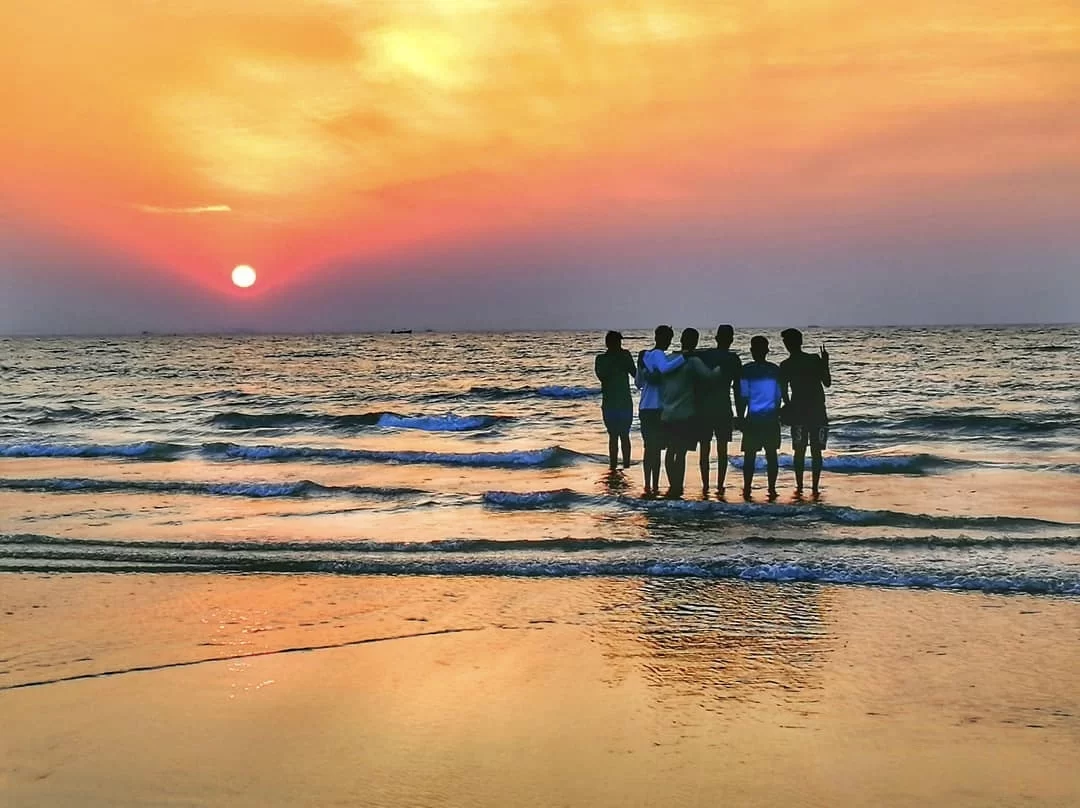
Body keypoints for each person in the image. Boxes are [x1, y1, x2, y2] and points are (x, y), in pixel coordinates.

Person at [658, 328, 725, 498]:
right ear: (695, 342)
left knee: (670, 451)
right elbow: (710, 377)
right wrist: (721, 366)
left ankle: (672, 485)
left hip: (666, 412)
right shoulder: (693, 361)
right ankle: (678, 487)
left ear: (681, 340)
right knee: (680, 452)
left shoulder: (669, 359)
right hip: (684, 413)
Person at [779, 327, 831, 496]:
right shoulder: (814, 359)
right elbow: (827, 382)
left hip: (799, 411)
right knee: (816, 451)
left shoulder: (786, 365)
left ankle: (800, 486)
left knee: (799, 450)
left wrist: (788, 405)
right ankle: (814, 487)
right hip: (816, 410)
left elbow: (783, 391)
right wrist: (825, 363)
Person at [635, 325, 686, 496]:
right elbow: (664, 369)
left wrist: (644, 370)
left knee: (649, 448)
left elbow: (638, 383)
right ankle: (655, 485)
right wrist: (682, 358)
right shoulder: (658, 355)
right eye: (668, 339)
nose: (669, 342)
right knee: (656, 448)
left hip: (644, 407)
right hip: (657, 407)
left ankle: (648, 484)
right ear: (663, 338)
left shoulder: (645, 356)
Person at [694, 324, 743, 496]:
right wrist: (741, 414)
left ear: (716, 338)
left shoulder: (706, 355)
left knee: (704, 449)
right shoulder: (734, 359)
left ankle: (706, 485)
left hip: (703, 408)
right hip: (723, 407)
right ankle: (720, 486)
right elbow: (738, 389)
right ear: (731, 339)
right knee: (722, 450)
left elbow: (687, 355)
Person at [737, 335, 782, 500]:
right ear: (767, 351)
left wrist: (740, 417)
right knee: (771, 455)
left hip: (753, 418)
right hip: (771, 418)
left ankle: (747, 488)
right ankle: (772, 488)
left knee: (749, 456)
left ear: (751, 351)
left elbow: (743, 396)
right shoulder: (775, 370)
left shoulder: (746, 370)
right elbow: (779, 396)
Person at [594, 331, 637, 470]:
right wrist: (617, 359)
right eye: (617, 342)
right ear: (609, 344)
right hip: (612, 403)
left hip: (621, 402)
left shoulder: (624, 356)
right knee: (614, 435)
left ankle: (626, 465)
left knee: (623, 435)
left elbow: (635, 373)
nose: (619, 345)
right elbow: (602, 375)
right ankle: (614, 466)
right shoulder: (601, 359)